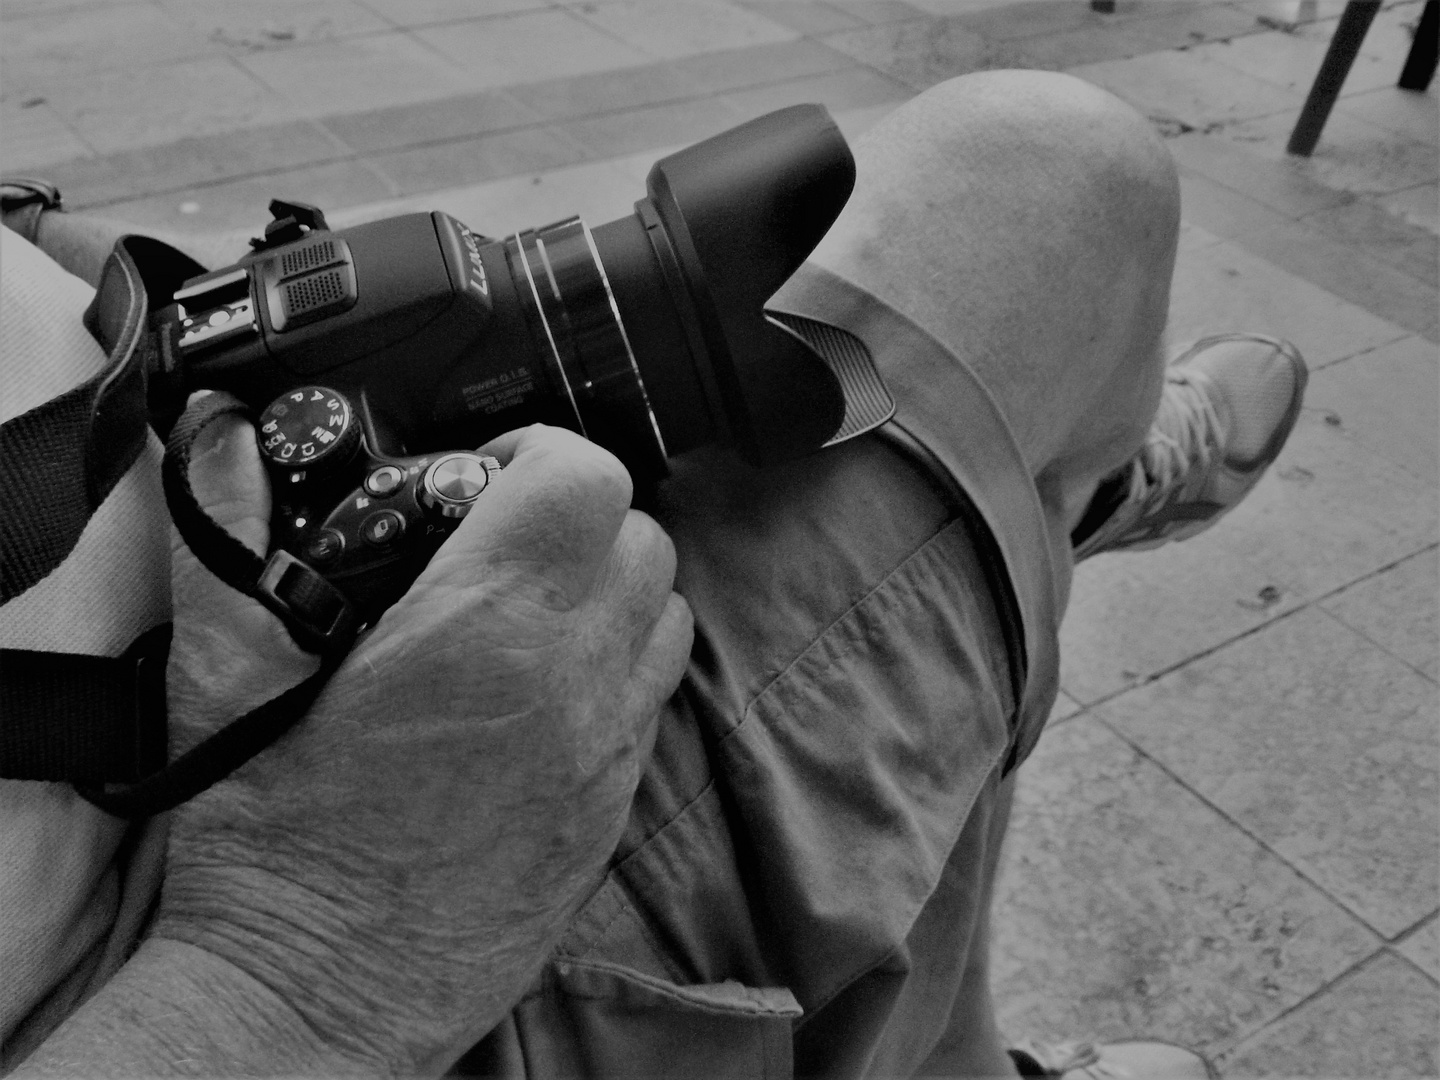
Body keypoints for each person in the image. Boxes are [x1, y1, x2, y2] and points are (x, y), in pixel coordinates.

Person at [1, 69, 1306, 1079]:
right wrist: (296, 968)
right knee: (1060, 180)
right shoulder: (301, 958)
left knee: (1007, 217)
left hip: (234, 585)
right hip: (301, 960)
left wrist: (131, 293)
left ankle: (1049, 496)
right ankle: (1068, 488)